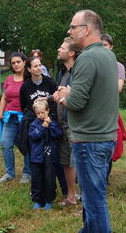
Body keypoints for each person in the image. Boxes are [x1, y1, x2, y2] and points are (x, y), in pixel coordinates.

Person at [54, 9, 119, 233]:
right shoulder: (107, 54)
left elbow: (77, 102)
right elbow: (94, 93)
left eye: (73, 27)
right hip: (104, 136)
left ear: (87, 29)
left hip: (89, 140)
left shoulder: (88, 57)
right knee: (93, 196)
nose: (69, 31)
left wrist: (63, 96)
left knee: (93, 200)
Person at [16, 56, 58, 185]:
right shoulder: (25, 86)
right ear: (29, 69)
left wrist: (49, 118)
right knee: (32, 148)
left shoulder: (50, 82)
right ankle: (30, 173)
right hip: (33, 122)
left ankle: (51, 173)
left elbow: (56, 101)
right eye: (35, 66)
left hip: (49, 120)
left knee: (49, 149)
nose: (39, 68)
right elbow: (24, 105)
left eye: (40, 65)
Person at [52, 37, 80, 206]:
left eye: (62, 48)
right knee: (66, 163)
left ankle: (82, 197)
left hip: (75, 125)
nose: (58, 50)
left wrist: (66, 95)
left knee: (76, 163)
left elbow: (79, 97)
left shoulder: (79, 72)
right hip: (62, 124)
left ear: (71, 53)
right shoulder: (63, 73)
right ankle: (71, 196)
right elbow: (61, 94)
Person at [0, 52, 29, 182]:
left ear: (24, 62)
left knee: (27, 146)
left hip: (25, 118)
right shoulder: (9, 79)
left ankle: (27, 173)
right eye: (13, 63)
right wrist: (0, 112)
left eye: (18, 62)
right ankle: (9, 173)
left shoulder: (29, 78)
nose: (16, 64)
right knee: (5, 143)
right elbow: (4, 96)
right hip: (10, 117)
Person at [100, 33, 126, 184]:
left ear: (111, 47)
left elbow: (119, 87)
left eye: (105, 45)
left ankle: (105, 175)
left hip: (109, 109)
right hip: (93, 110)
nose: (103, 48)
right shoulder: (94, 62)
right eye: (100, 45)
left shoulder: (118, 66)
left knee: (109, 141)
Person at [28, 99, 63, 210]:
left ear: (48, 111)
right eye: (38, 113)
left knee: (50, 179)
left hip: (50, 157)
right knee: (37, 179)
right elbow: (33, 136)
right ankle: (38, 200)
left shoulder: (53, 122)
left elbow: (58, 134)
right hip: (37, 158)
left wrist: (50, 124)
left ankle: (49, 199)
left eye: (42, 112)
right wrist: (42, 127)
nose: (40, 115)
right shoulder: (34, 124)